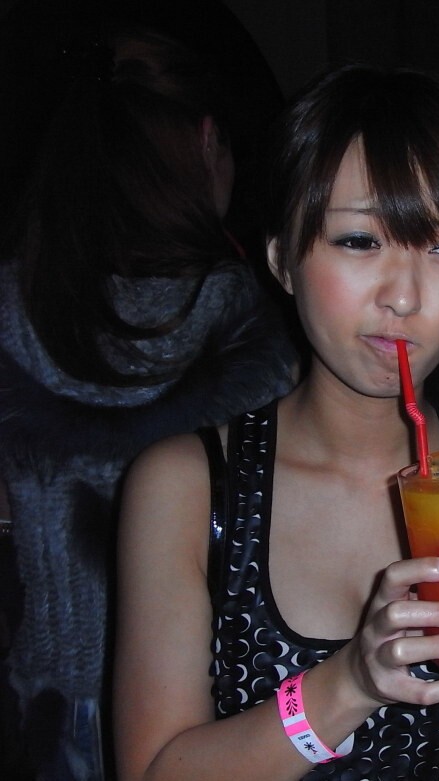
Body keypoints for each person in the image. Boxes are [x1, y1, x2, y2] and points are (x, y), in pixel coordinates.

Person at [112, 64, 439, 781]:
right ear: (282, 260)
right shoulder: (188, 486)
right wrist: (349, 684)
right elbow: (153, 769)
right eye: (359, 241)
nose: (404, 296)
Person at [0, 24, 296, 781]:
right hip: (208, 711)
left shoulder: (10, 306)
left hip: (51, 701)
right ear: (208, 140)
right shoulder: (254, 320)